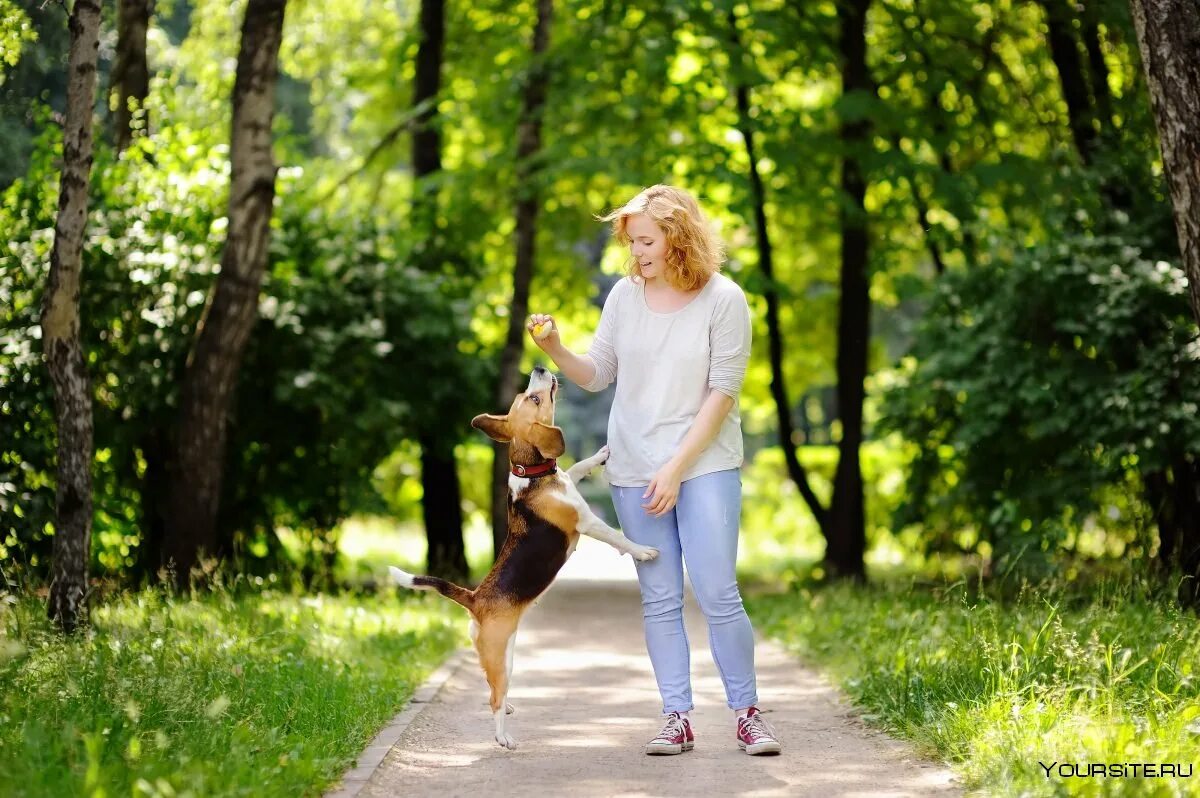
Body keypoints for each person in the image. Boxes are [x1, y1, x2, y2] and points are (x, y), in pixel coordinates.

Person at [526, 184, 781, 757]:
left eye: (647, 240)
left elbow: (723, 395)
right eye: (631, 241)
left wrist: (675, 468)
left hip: (705, 463)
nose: (636, 252)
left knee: (717, 591)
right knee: (660, 598)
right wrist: (557, 348)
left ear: (679, 238)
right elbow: (597, 374)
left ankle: (747, 714)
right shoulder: (623, 296)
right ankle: (677, 717)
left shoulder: (725, 299)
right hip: (634, 465)